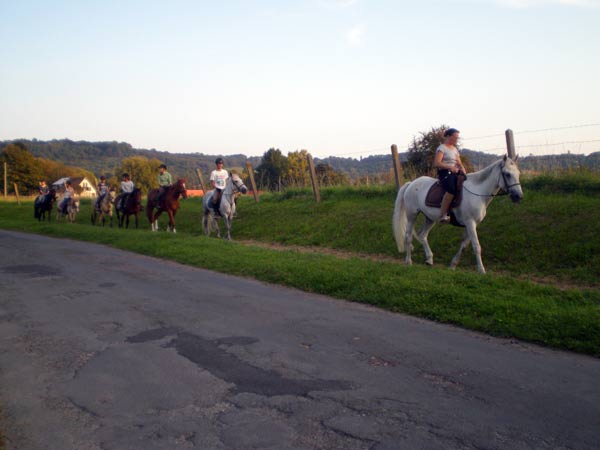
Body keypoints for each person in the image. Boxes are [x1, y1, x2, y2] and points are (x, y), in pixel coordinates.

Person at [434, 128, 467, 223]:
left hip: (456, 172)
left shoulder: (455, 149)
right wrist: (449, 167)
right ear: (448, 136)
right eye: (455, 137)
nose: (457, 139)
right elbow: (437, 163)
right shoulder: (442, 148)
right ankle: (443, 214)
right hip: (445, 173)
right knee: (452, 189)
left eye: (457, 137)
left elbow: (459, 162)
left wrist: (463, 171)